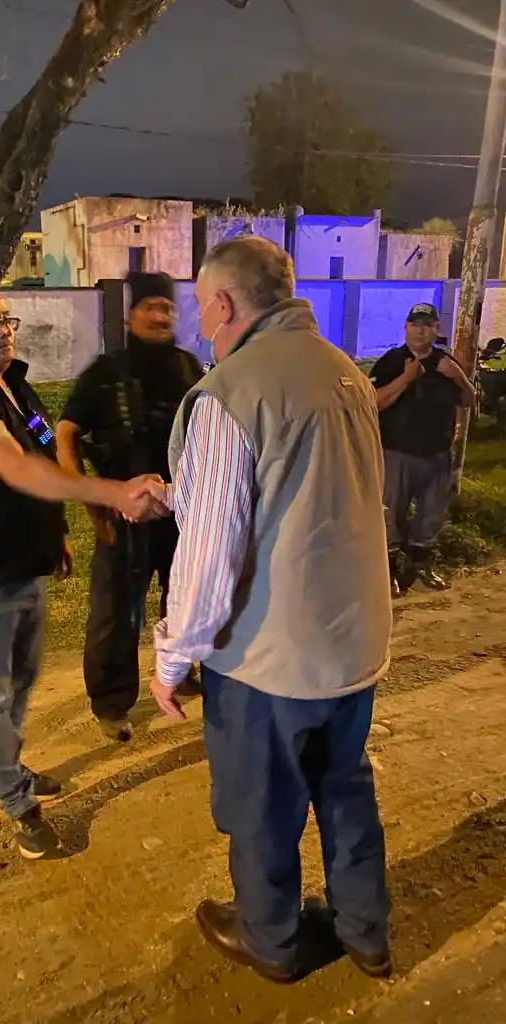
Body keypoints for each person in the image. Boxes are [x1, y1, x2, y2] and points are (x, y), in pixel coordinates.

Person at [144, 237, 394, 984]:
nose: (197, 322)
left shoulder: (232, 391)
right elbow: (309, 491)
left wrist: (172, 654)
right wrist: (180, 491)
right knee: (345, 789)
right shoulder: (344, 372)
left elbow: (210, 556)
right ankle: (365, 932)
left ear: (223, 304)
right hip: (352, 644)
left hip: (270, 662)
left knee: (262, 807)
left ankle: (273, 941)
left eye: (199, 305)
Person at [0, 277, 164, 861]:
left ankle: (3, 766)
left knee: (20, 684)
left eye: (7, 319)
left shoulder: (13, 387)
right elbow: (18, 470)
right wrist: (111, 492)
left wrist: (55, 533)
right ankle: (14, 800)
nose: (5, 331)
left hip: (22, 565)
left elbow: (42, 455)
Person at [56, 271, 203, 743]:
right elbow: (61, 432)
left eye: (167, 308)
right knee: (117, 612)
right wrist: (88, 499)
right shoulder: (105, 372)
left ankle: (179, 671)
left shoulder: (188, 368)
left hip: (182, 513)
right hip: (124, 515)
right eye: (150, 307)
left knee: (184, 600)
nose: (160, 316)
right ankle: (112, 702)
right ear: (131, 314)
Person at [370, 303, 475, 595]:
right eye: (415, 324)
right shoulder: (391, 362)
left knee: (432, 514)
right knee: (390, 513)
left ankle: (418, 571)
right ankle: (387, 574)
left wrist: (457, 377)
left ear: (436, 330)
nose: (420, 330)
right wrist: (406, 378)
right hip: (396, 453)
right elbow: (374, 403)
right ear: (405, 328)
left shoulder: (445, 363)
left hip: (437, 455)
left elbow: (467, 400)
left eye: (427, 325)